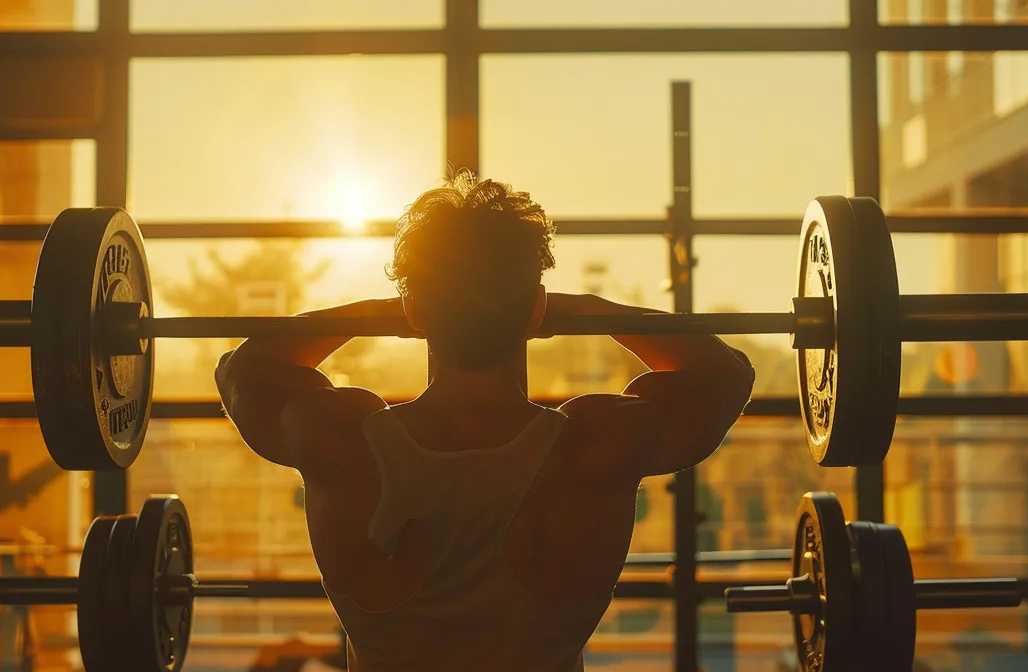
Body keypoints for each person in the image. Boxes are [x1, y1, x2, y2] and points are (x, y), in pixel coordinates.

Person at [216, 172, 755, 671]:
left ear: (417, 311)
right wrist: (582, 309)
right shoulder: (596, 443)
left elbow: (243, 371)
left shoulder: (339, 437)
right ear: (535, 308)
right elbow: (726, 373)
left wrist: (388, 310)